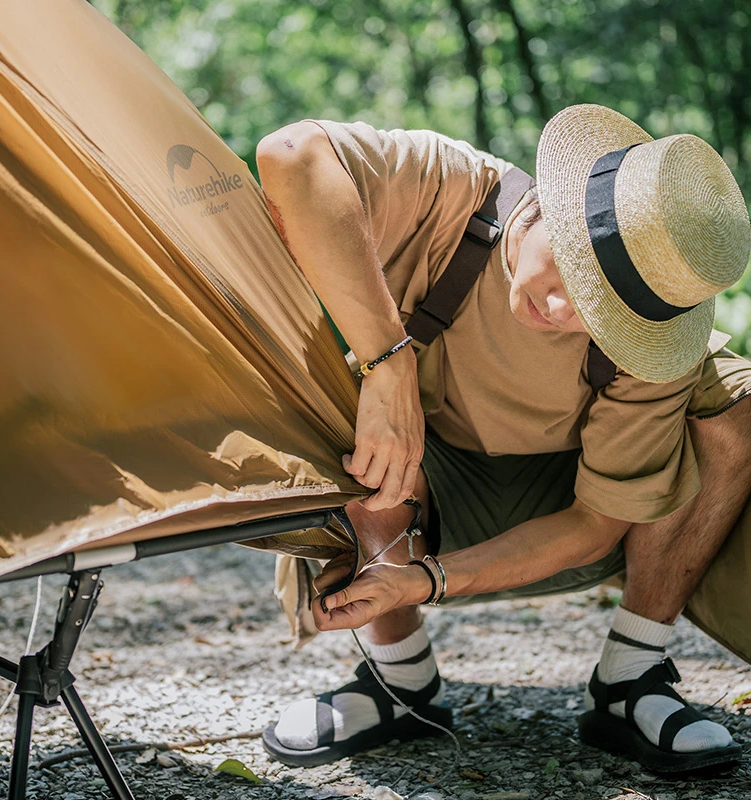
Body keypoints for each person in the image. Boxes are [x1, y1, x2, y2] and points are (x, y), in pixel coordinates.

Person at [254, 104, 751, 774]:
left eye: (601, 316)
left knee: (735, 399)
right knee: (335, 393)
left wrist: (426, 582)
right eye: (575, 274)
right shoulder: (451, 189)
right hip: (412, 496)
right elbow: (289, 153)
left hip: (574, 523)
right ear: (554, 203)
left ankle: (630, 677)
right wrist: (388, 362)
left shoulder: (655, 339)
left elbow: (595, 521)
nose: (559, 312)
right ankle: (400, 683)